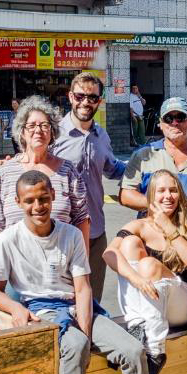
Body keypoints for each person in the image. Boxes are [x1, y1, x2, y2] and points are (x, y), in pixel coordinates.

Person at [0, 171, 180, 374]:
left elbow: (83, 288)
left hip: (78, 304)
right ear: (18, 202)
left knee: (131, 349)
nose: (38, 206)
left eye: (43, 198)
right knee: (74, 348)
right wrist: (15, 308)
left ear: (53, 196)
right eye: (30, 200)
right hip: (42, 309)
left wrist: (87, 329)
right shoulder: (7, 240)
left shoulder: (71, 235)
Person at [104, 170, 187, 374]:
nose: (167, 196)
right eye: (161, 191)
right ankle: (137, 327)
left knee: (149, 265)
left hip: (181, 305)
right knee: (129, 243)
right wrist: (136, 279)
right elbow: (109, 253)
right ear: (151, 196)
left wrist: (170, 229)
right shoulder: (139, 225)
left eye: (173, 190)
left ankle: (155, 350)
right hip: (148, 306)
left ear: (180, 194)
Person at [0, 96, 89, 259]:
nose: (38, 130)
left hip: (60, 269)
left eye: (44, 125)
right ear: (22, 132)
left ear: (52, 132)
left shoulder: (68, 171)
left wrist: (82, 265)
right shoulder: (4, 172)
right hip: (16, 270)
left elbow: (81, 219)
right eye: (31, 125)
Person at [52, 72, 126, 298]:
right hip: (60, 233)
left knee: (92, 301)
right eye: (80, 96)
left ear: (99, 102)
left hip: (95, 233)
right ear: (70, 97)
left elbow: (113, 169)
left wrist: (146, 168)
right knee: (62, 302)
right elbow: (31, 166)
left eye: (92, 98)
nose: (86, 102)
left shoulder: (101, 135)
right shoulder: (53, 133)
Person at [120, 98, 187, 209]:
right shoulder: (143, 155)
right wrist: (158, 205)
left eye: (180, 117)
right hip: (154, 225)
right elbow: (125, 195)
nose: (175, 123)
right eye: (169, 118)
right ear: (160, 124)